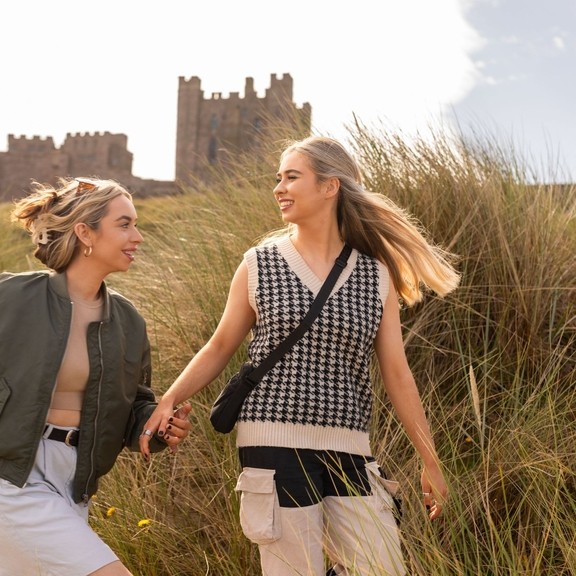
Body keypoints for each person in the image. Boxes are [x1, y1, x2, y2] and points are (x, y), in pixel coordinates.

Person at [140, 136, 460, 575]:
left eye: (292, 177)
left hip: (349, 449)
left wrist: (431, 460)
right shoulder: (260, 263)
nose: (279, 188)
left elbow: (398, 374)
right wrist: (168, 399)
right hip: (272, 443)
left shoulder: (374, 273)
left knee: (381, 566)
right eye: (278, 178)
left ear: (330, 186)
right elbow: (218, 347)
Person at [0, 177, 191, 576]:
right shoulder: (12, 297)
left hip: (75, 483)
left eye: (136, 224)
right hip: (12, 477)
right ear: (85, 233)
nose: (137, 236)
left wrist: (157, 425)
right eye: (124, 224)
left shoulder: (128, 321)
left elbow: (134, 404)